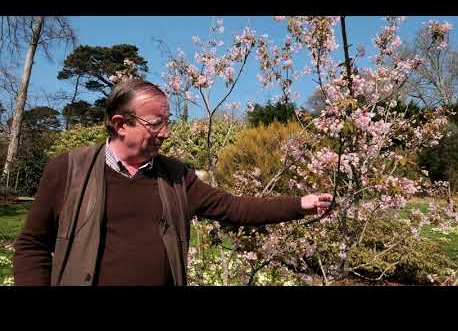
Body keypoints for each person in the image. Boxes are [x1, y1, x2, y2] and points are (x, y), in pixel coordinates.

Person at [13, 79, 333, 286]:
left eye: (168, 122)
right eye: (156, 123)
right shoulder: (69, 169)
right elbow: (31, 246)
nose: (165, 132)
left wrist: (299, 204)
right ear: (120, 124)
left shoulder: (176, 176)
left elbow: (235, 207)